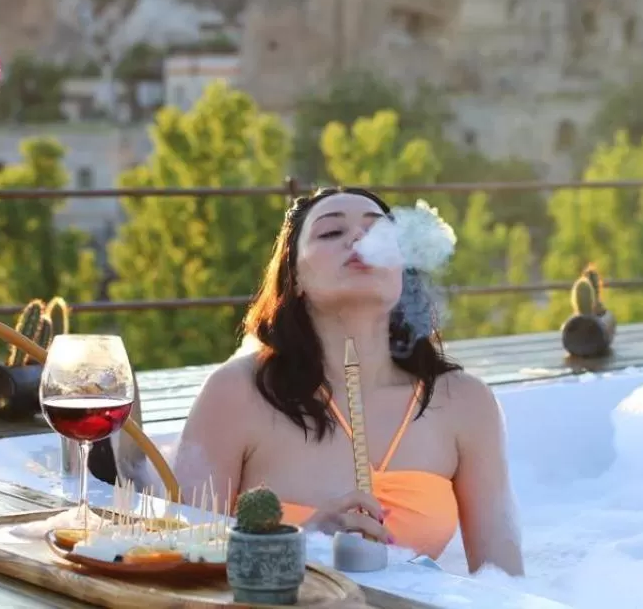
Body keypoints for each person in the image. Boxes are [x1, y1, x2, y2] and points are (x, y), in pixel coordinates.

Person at [173, 186, 525, 575]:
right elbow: (184, 559)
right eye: (330, 233)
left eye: (377, 232)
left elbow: (504, 584)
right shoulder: (236, 393)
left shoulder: (466, 402)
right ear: (295, 277)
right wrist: (303, 543)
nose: (358, 239)